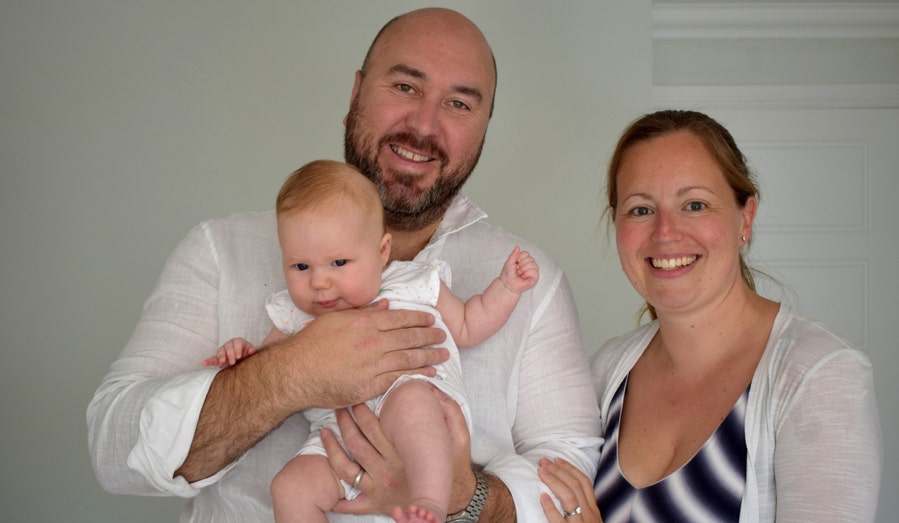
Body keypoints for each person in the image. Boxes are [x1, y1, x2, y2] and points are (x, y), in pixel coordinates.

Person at [87, 7, 602, 522]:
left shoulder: (531, 280)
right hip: (319, 455)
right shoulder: (221, 250)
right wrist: (291, 373)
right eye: (405, 86)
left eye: (459, 103)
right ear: (356, 93)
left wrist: (464, 498)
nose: (424, 124)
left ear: (484, 127)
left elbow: (575, 477)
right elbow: (115, 448)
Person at [538, 109, 882, 522]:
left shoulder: (819, 377)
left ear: (746, 217)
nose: (665, 232)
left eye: (695, 204)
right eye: (641, 210)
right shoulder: (608, 371)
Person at [201, 159, 540, 523]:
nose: (320, 283)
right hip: (338, 433)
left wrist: (506, 288)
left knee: (413, 404)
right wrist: (240, 353)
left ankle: (429, 504)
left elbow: (471, 324)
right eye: (301, 267)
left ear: (381, 251)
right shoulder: (293, 313)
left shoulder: (413, 281)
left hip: (412, 396)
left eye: (339, 262)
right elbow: (266, 368)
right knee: (289, 488)